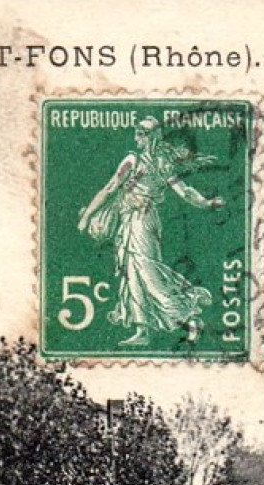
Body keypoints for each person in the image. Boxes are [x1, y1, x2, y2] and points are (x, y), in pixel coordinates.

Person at [78, 116, 226, 347]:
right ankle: (142, 330)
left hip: (143, 220)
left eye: (142, 133)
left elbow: (184, 191)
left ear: (152, 137)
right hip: (129, 221)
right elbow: (111, 188)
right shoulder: (139, 160)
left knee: (148, 273)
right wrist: (87, 215)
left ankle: (189, 319)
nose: (137, 136)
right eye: (137, 132)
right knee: (132, 273)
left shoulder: (155, 162)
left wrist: (206, 203)